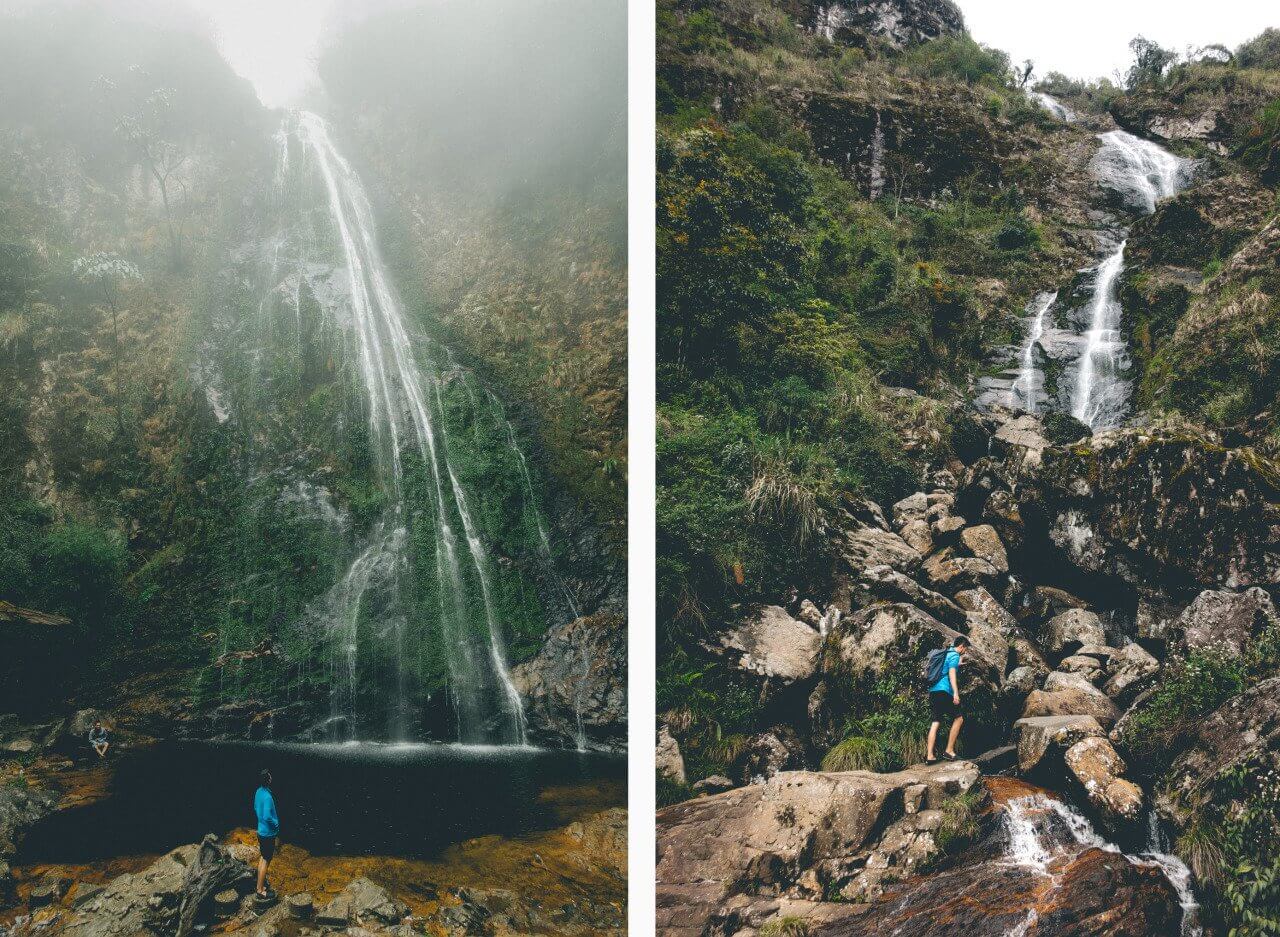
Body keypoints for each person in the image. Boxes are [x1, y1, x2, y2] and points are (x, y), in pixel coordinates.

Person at [925, 636, 968, 764]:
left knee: (936, 721)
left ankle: (930, 756)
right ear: (961, 646)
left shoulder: (945, 653)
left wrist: (958, 663)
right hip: (944, 691)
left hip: (933, 691)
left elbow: (945, 667)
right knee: (959, 718)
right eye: (965, 649)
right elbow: (951, 674)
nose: (965, 651)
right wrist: (955, 693)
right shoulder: (954, 655)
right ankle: (949, 751)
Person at [254, 769, 279, 900]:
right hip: (268, 833)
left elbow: (255, 808)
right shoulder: (268, 797)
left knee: (263, 858)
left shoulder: (259, 792)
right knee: (266, 860)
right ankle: (260, 890)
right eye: (270, 776)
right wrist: (276, 824)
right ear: (268, 780)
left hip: (260, 831)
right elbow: (267, 816)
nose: (271, 777)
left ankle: (260, 885)